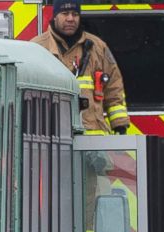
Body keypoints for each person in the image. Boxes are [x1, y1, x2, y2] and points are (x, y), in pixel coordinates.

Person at [32, 0, 129, 135]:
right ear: (55, 16)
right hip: (51, 136)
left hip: (93, 136)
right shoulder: (37, 47)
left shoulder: (98, 47)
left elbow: (114, 87)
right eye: (65, 13)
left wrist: (119, 125)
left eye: (75, 14)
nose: (71, 19)